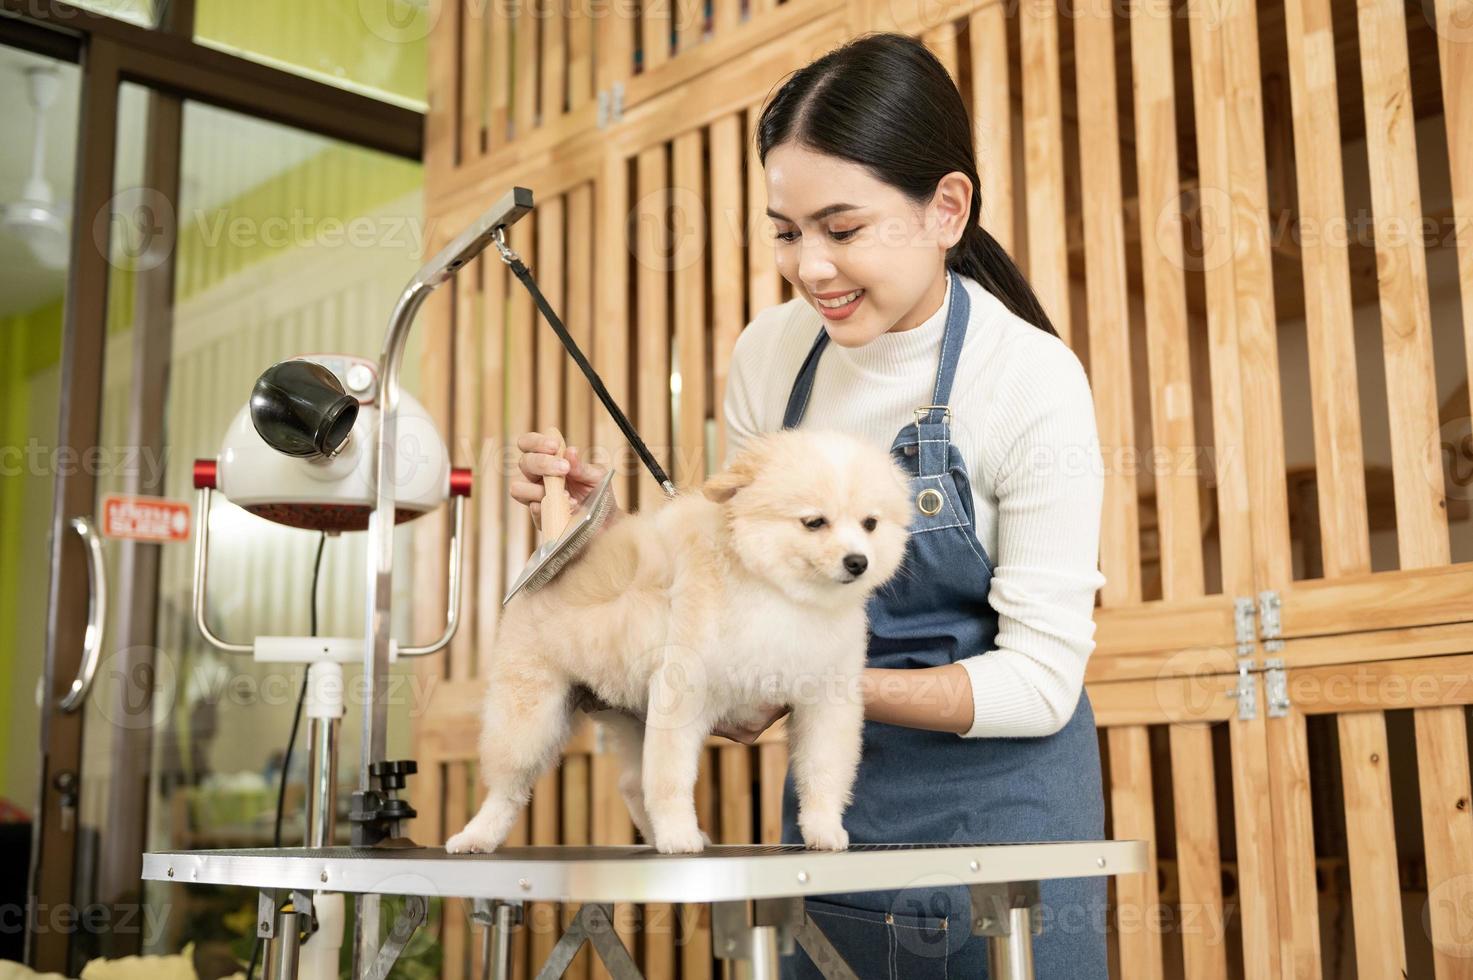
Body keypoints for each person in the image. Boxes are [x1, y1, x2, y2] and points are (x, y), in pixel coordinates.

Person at [509, 31, 1107, 979]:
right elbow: (728, 582)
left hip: (1004, 822)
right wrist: (602, 531)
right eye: (787, 232)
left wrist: (816, 684)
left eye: (843, 229)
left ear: (945, 208)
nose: (810, 268)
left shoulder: (1029, 380)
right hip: (834, 815)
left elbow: (1040, 685)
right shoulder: (769, 358)